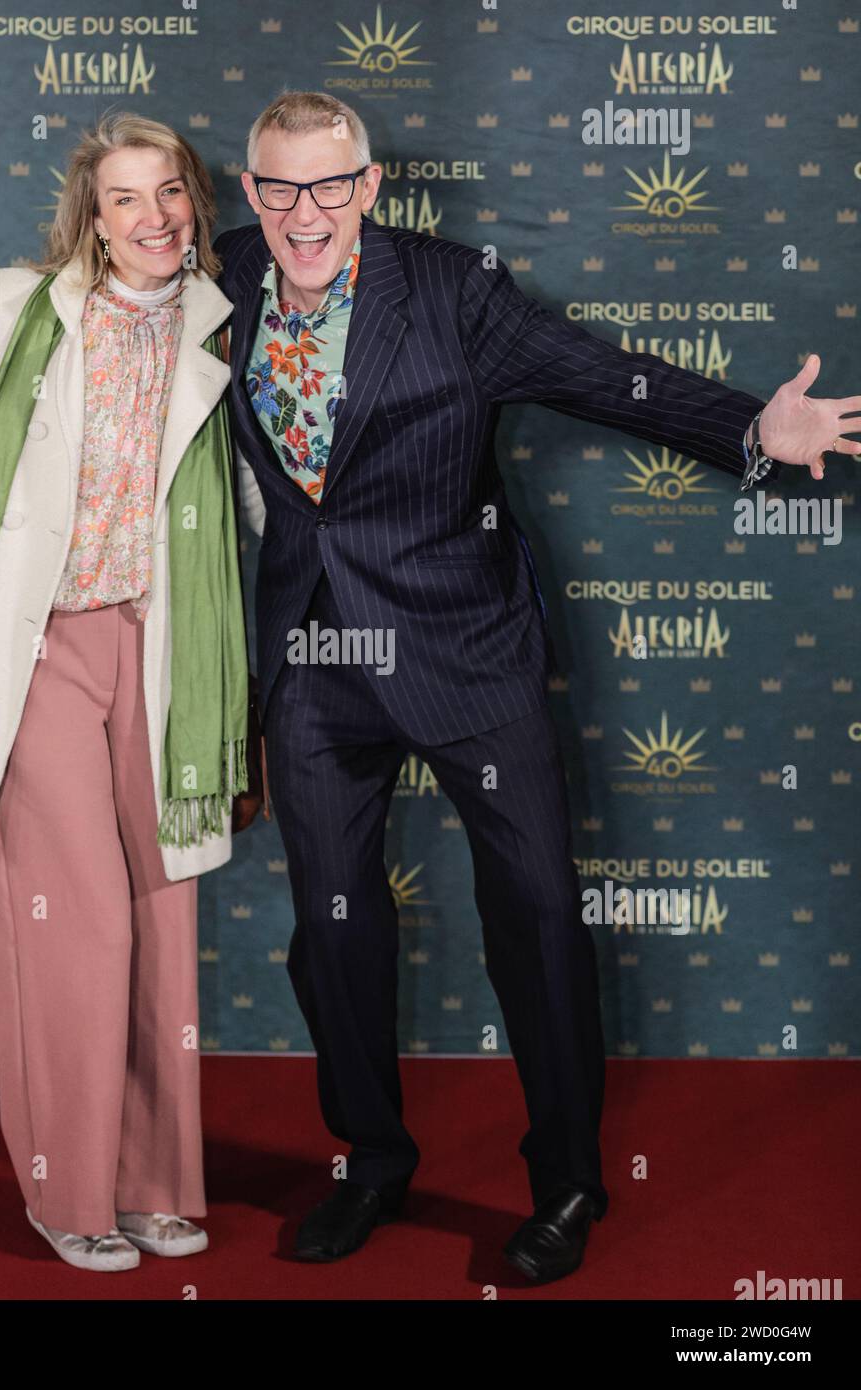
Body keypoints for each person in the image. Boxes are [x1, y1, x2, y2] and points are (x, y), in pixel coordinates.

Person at [214, 90, 861, 1282]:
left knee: (539, 921)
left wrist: (751, 432)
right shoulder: (218, 280)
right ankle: (371, 1160)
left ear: (367, 188)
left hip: (466, 648)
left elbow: (602, 377)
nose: (303, 213)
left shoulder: (454, 292)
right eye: (277, 187)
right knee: (334, 932)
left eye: (328, 185)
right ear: (250, 191)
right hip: (311, 659)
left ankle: (564, 1181)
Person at [0, 112, 263, 1272]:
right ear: (88, 220)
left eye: (170, 194)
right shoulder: (20, 304)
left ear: (194, 203)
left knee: (159, 908)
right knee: (76, 919)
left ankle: (152, 1186)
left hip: (156, 649)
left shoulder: (212, 322)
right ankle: (67, 1189)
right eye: (124, 200)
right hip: (32, 647)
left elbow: (237, 491)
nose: (153, 218)